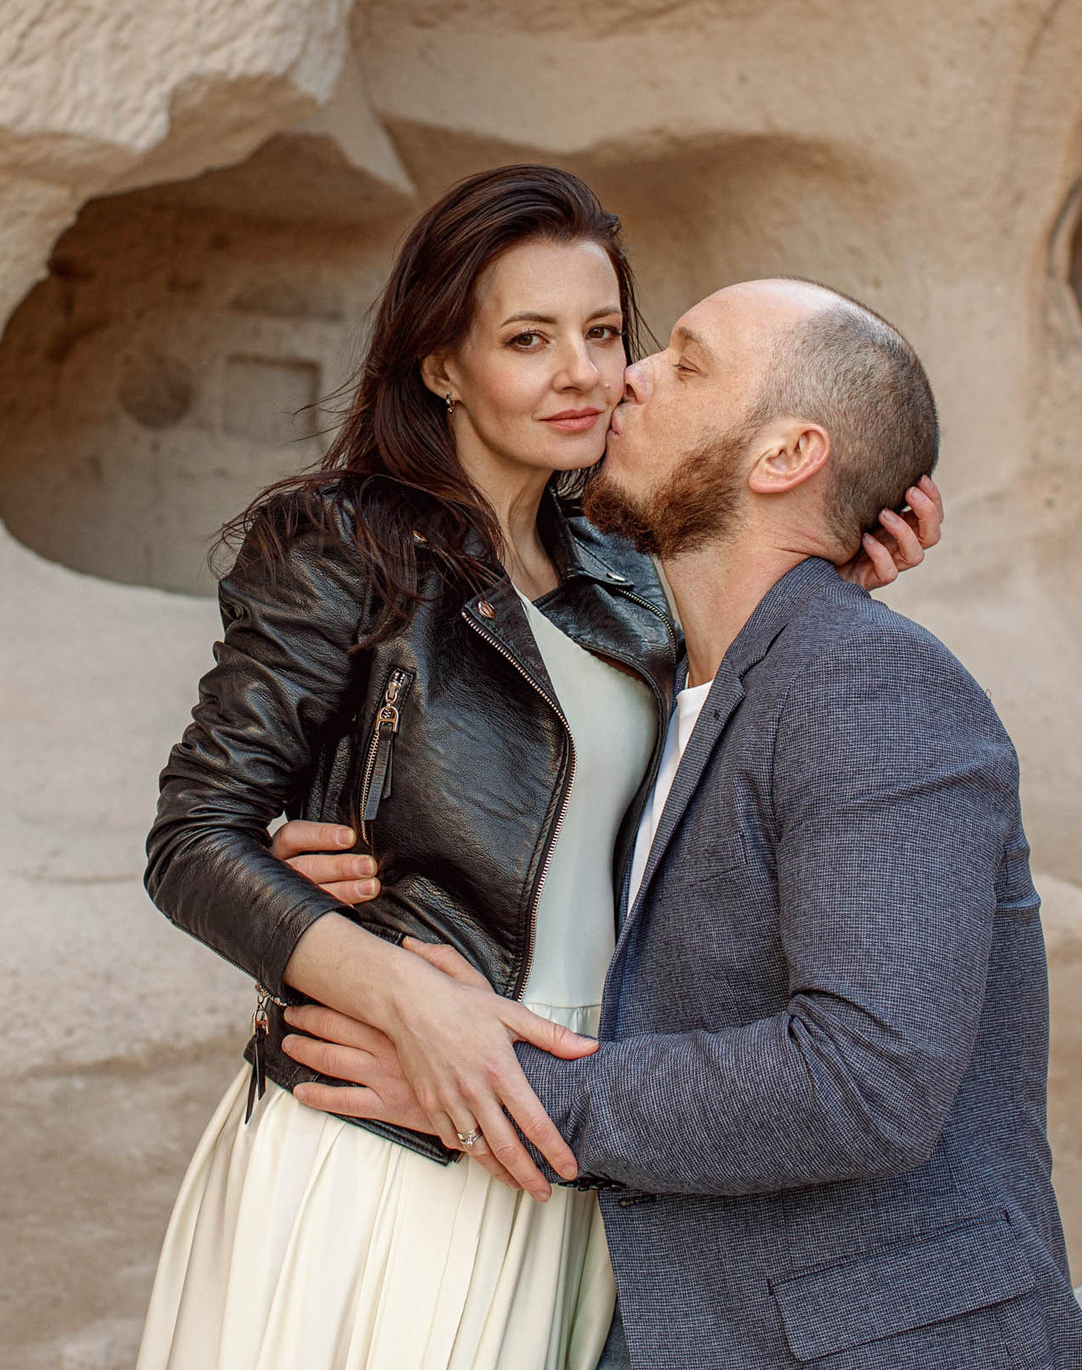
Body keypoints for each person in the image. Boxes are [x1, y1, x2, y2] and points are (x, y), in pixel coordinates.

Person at [137, 171, 942, 1370]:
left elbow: (704, 775)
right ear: (441, 365)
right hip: (399, 1116)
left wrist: (831, 588)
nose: (585, 373)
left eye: (606, 332)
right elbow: (193, 839)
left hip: (588, 1113)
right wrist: (408, 1000)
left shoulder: (630, 573)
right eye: (528, 339)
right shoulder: (341, 539)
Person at [275, 279, 1082, 1369]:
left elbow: (864, 1084)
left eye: (686, 363)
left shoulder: (870, 689)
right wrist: (362, 845)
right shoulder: (675, 694)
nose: (627, 376)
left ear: (783, 456)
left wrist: (493, 1089)